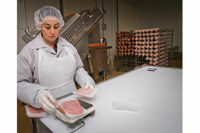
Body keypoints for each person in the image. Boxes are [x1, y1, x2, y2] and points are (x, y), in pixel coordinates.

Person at [17, 6, 95, 123]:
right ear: (40, 26)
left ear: (61, 26)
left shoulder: (69, 47)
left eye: (56, 27)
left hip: (72, 106)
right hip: (46, 110)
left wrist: (85, 80)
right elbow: (18, 84)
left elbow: (78, 69)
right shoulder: (29, 51)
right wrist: (36, 95)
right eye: (47, 27)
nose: (52, 31)